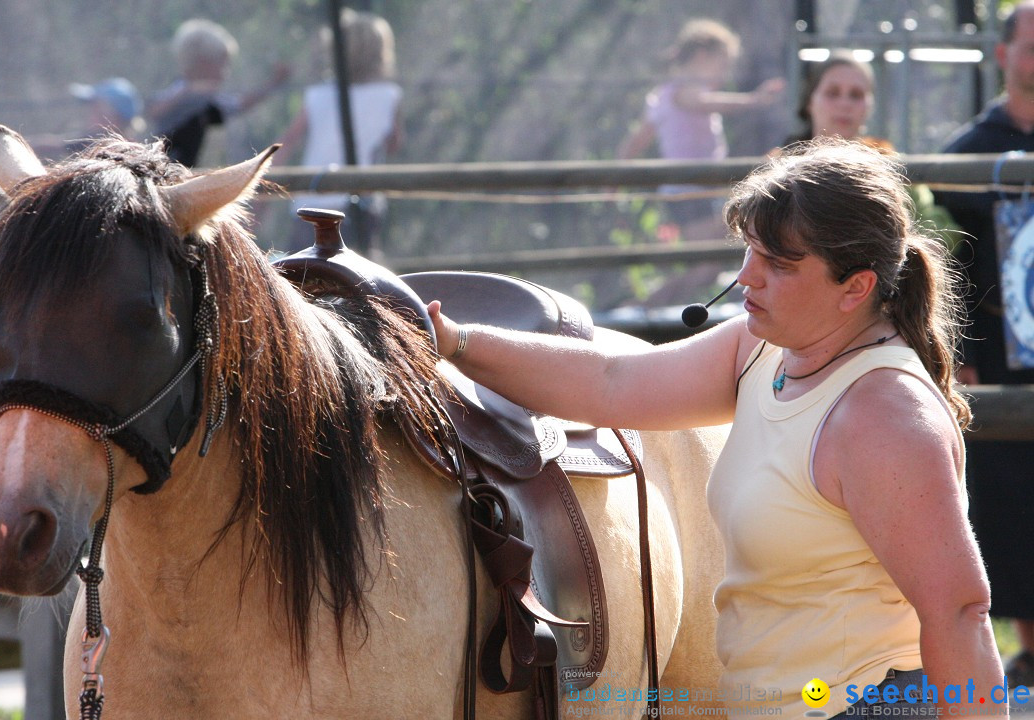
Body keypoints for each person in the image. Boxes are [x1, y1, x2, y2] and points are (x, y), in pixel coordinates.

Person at [428, 138, 1004, 718]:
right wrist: (455, 342)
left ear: (856, 287)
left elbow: (959, 612)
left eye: (779, 264)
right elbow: (610, 382)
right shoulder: (763, 348)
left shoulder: (884, 415)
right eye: (750, 251)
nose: (747, 277)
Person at [934, 0, 1034, 689]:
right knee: (1011, 497)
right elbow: (951, 262)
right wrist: (958, 346)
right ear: (1002, 54)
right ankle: (1027, 645)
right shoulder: (965, 156)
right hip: (999, 355)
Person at [617, 18, 784, 241]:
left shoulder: (663, 96)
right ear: (702, 56)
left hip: (699, 188)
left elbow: (637, 139)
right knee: (704, 265)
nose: (725, 74)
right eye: (723, 64)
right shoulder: (681, 93)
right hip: (688, 192)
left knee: (712, 259)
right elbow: (706, 103)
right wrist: (754, 100)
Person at [782, 50, 957, 247]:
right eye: (833, 93)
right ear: (809, 101)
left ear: (870, 106)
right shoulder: (778, 168)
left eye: (856, 95)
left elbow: (942, 235)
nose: (844, 104)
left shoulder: (887, 163)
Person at [277, 8, 402, 254]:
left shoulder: (317, 95)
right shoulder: (390, 95)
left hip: (311, 201)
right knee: (359, 278)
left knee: (300, 276)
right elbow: (393, 144)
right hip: (361, 205)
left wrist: (266, 188)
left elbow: (287, 142)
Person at [146, 18, 290, 167]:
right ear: (202, 61)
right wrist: (189, 92)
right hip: (163, 172)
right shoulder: (185, 93)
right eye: (222, 64)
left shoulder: (204, 99)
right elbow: (154, 111)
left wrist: (273, 84)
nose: (225, 74)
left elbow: (237, 105)